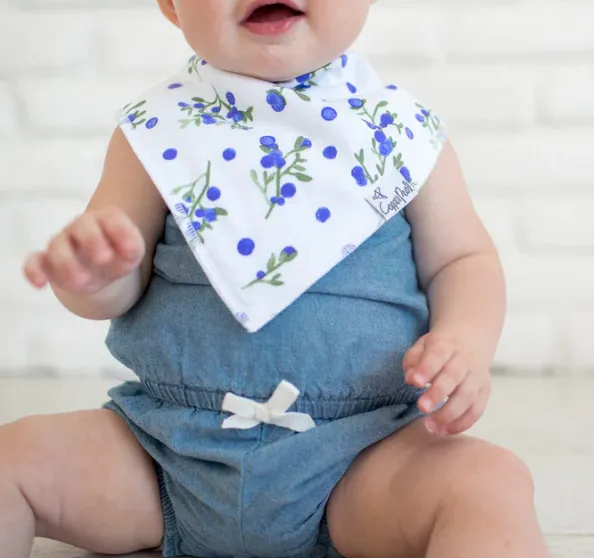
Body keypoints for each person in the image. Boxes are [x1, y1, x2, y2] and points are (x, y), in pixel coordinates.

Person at [4, 1, 549, 557]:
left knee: (490, 483)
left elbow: (462, 259)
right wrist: (91, 274)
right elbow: (115, 288)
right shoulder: (155, 132)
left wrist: (465, 340)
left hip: (361, 459)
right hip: (163, 452)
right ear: (170, 4)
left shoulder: (404, 134)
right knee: (10, 459)